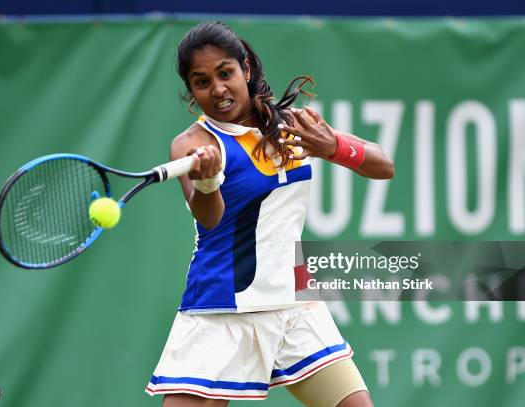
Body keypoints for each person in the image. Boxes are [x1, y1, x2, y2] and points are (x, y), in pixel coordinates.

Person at [145, 21, 394, 407]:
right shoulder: (193, 144)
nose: (218, 89)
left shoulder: (292, 125)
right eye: (202, 81)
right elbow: (209, 220)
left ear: (246, 69)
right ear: (192, 91)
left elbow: (383, 165)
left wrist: (333, 147)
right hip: (224, 308)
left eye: (225, 73)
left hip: (295, 305)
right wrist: (209, 181)